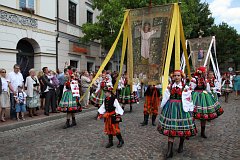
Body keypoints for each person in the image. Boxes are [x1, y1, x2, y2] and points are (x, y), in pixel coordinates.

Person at [157, 70, 197, 158]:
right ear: (173, 77)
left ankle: (181, 145)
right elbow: (166, 97)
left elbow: (188, 99)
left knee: (182, 127)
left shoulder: (185, 87)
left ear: (181, 76)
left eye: (178, 75)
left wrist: (190, 109)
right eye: (175, 75)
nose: (176, 77)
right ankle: (169, 151)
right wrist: (162, 106)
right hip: (171, 108)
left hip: (182, 108)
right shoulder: (170, 86)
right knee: (171, 128)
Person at [190, 66, 224, 138]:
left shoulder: (205, 80)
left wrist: (211, 97)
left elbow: (208, 89)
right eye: (204, 72)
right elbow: (191, 89)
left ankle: (202, 132)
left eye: (205, 72)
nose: (205, 73)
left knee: (204, 115)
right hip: (196, 97)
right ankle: (191, 130)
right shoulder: (194, 79)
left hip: (205, 97)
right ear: (201, 72)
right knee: (192, 114)